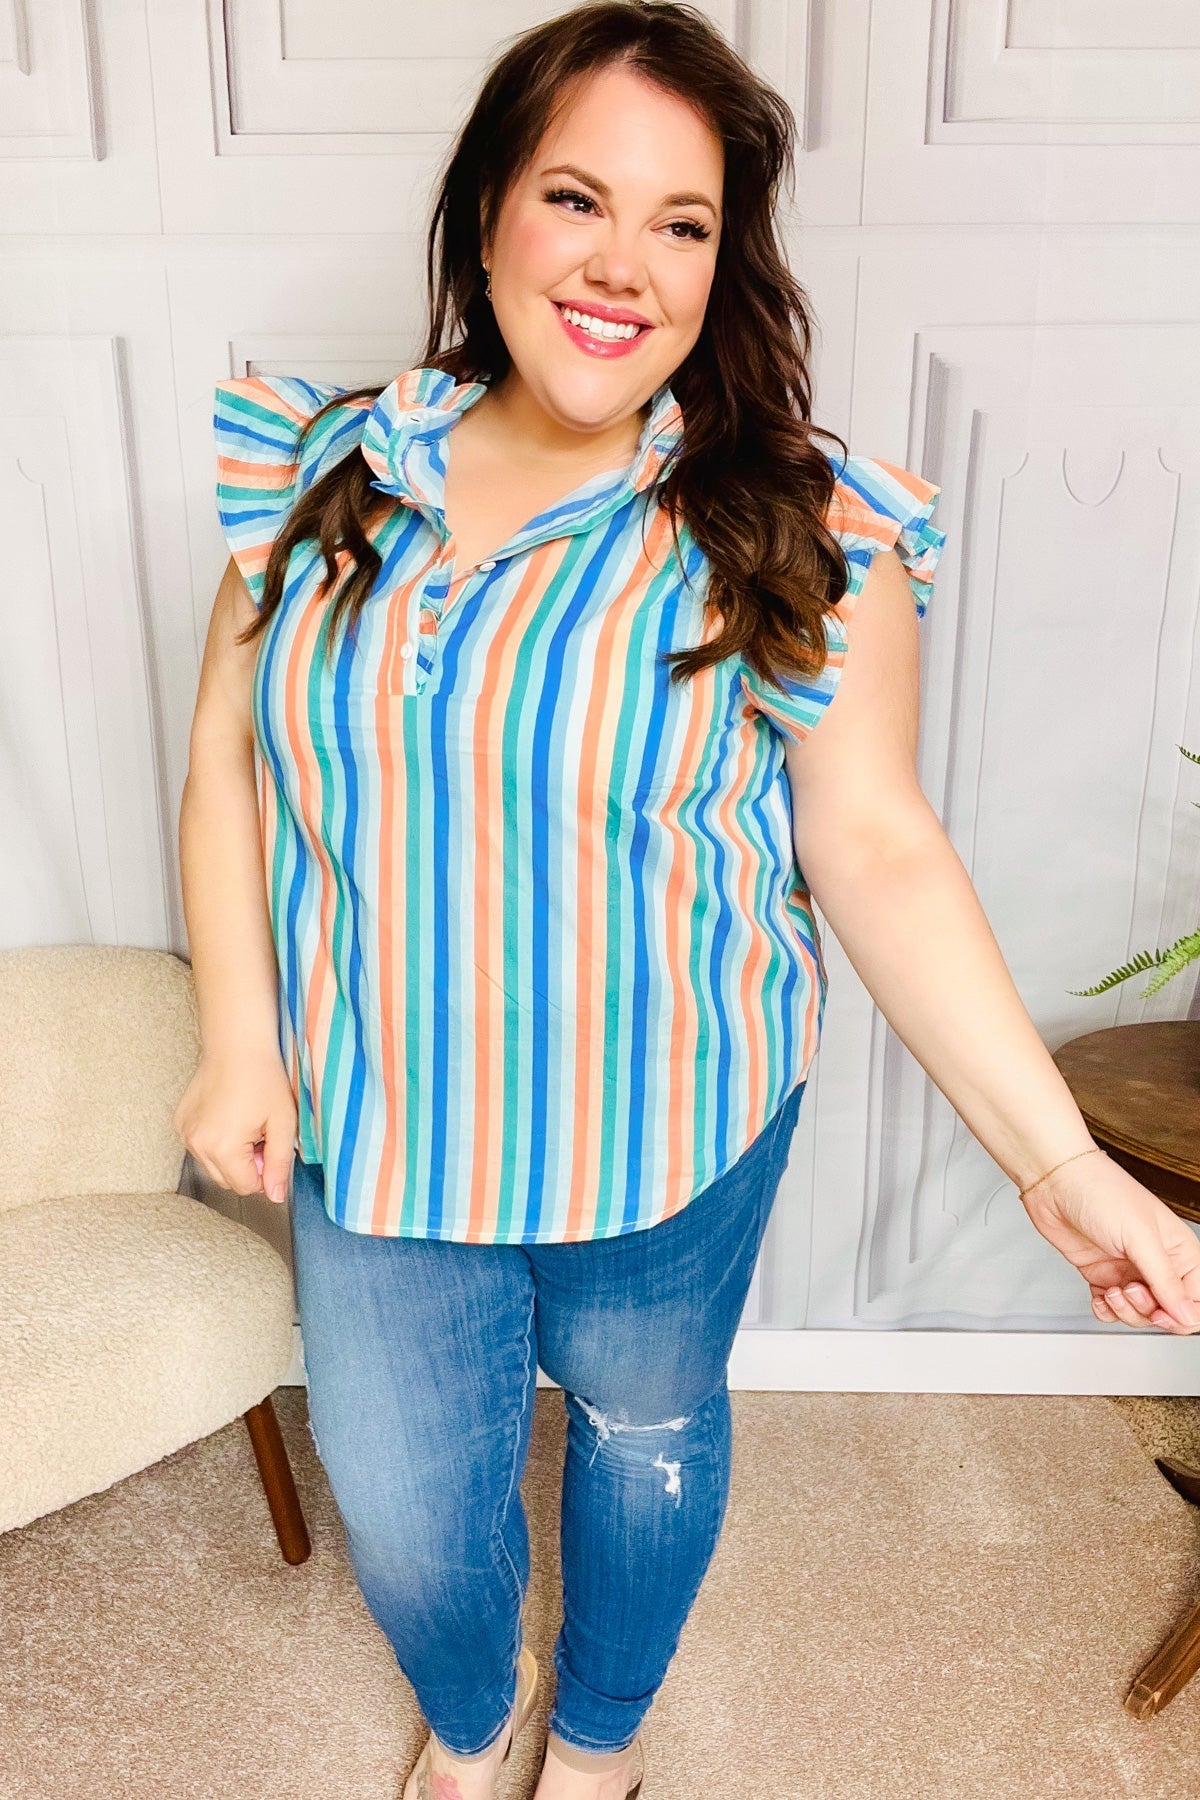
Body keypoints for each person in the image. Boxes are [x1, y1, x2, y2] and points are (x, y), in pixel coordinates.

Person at [174, 4, 1200, 1796]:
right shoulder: (329, 471)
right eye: (577, 197)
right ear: (487, 206)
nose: (622, 266)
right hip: (378, 1126)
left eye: (683, 222)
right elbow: (226, 763)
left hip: (671, 1118)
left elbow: (875, 846)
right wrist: (239, 1043)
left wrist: (1059, 1167)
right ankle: (474, 1715)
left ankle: (599, 1741)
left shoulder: (796, 526)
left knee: (644, 1437)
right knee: (405, 1506)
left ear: (724, 263)